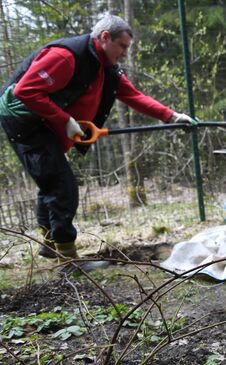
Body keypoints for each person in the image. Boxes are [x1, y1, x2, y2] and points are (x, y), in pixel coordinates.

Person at [0, 15, 193, 272]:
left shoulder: (107, 69)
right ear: (104, 38)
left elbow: (134, 96)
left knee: (52, 181)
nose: (125, 53)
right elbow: (25, 91)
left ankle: (51, 243)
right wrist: (64, 119)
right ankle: (68, 262)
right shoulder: (66, 57)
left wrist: (171, 116)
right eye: (122, 46)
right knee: (62, 187)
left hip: (45, 123)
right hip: (24, 121)